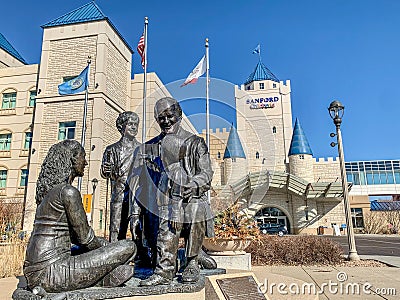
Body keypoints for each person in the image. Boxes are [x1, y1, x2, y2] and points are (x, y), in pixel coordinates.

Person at [23, 140, 136, 293]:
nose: (86, 162)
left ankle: (103, 279)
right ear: (72, 159)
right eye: (83, 157)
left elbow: (75, 238)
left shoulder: (49, 193)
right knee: (128, 247)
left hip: (36, 271)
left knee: (104, 245)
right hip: (52, 273)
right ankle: (101, 281)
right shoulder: (68, 192)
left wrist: (104, 247)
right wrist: (111, 250)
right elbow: (86, 239)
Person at [139, 97, 215, 286]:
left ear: (179, 115)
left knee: (196, 209)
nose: (165, 121)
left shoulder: (195, 143)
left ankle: (192, 262)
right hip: (163, 198)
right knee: (167, 217)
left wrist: (194, 186)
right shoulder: (151, 146)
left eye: (169, 116)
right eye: (160, 118)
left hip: (191, 196)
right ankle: (164, 271)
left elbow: (206, 172)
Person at [101, 111, 141, 242]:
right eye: (130, 124)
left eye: (136, 124)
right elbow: (106, 173)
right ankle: (115, 255)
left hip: (136, 195)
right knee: (116, 227)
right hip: (118, 193)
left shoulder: (142, 150)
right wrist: (106, 170)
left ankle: (139, 257)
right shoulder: (111, 150)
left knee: (137, 227)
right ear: (121, 127)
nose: (134, 127)